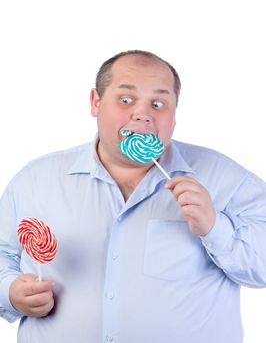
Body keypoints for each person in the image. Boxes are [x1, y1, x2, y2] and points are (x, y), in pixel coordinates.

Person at [0, 50, 266, 343]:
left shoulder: (226, 179)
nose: (143, 113)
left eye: (158, 103)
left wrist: (215, 227)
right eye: (126, 100)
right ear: (96, 102)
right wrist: (11, 292)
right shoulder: (36, 179)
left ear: (175, 114)